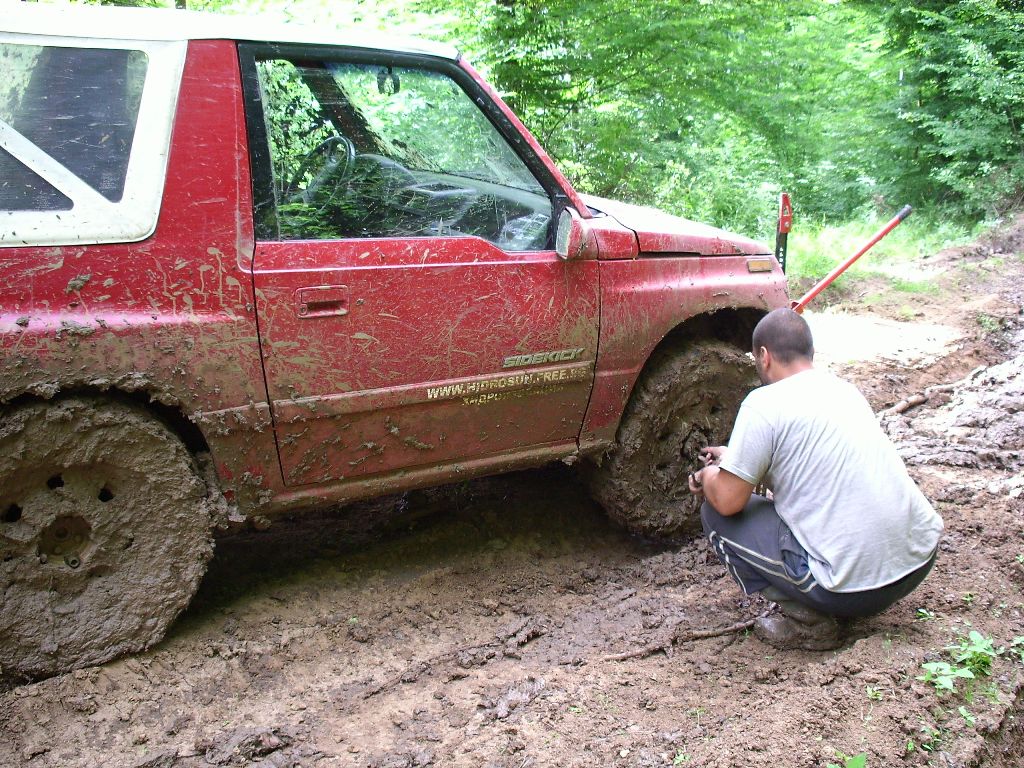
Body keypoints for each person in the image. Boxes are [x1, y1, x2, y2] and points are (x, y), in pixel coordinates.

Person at [688, 308, 943, 650]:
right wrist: (736, 458)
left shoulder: (762, 404)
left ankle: (809, 624)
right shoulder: (843, 390)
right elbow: (806, 457)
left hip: (850, 590)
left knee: (715, 514)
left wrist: (708, 476)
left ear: (763, 356)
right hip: (917, 562)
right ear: (811, 352)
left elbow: (729, 500)